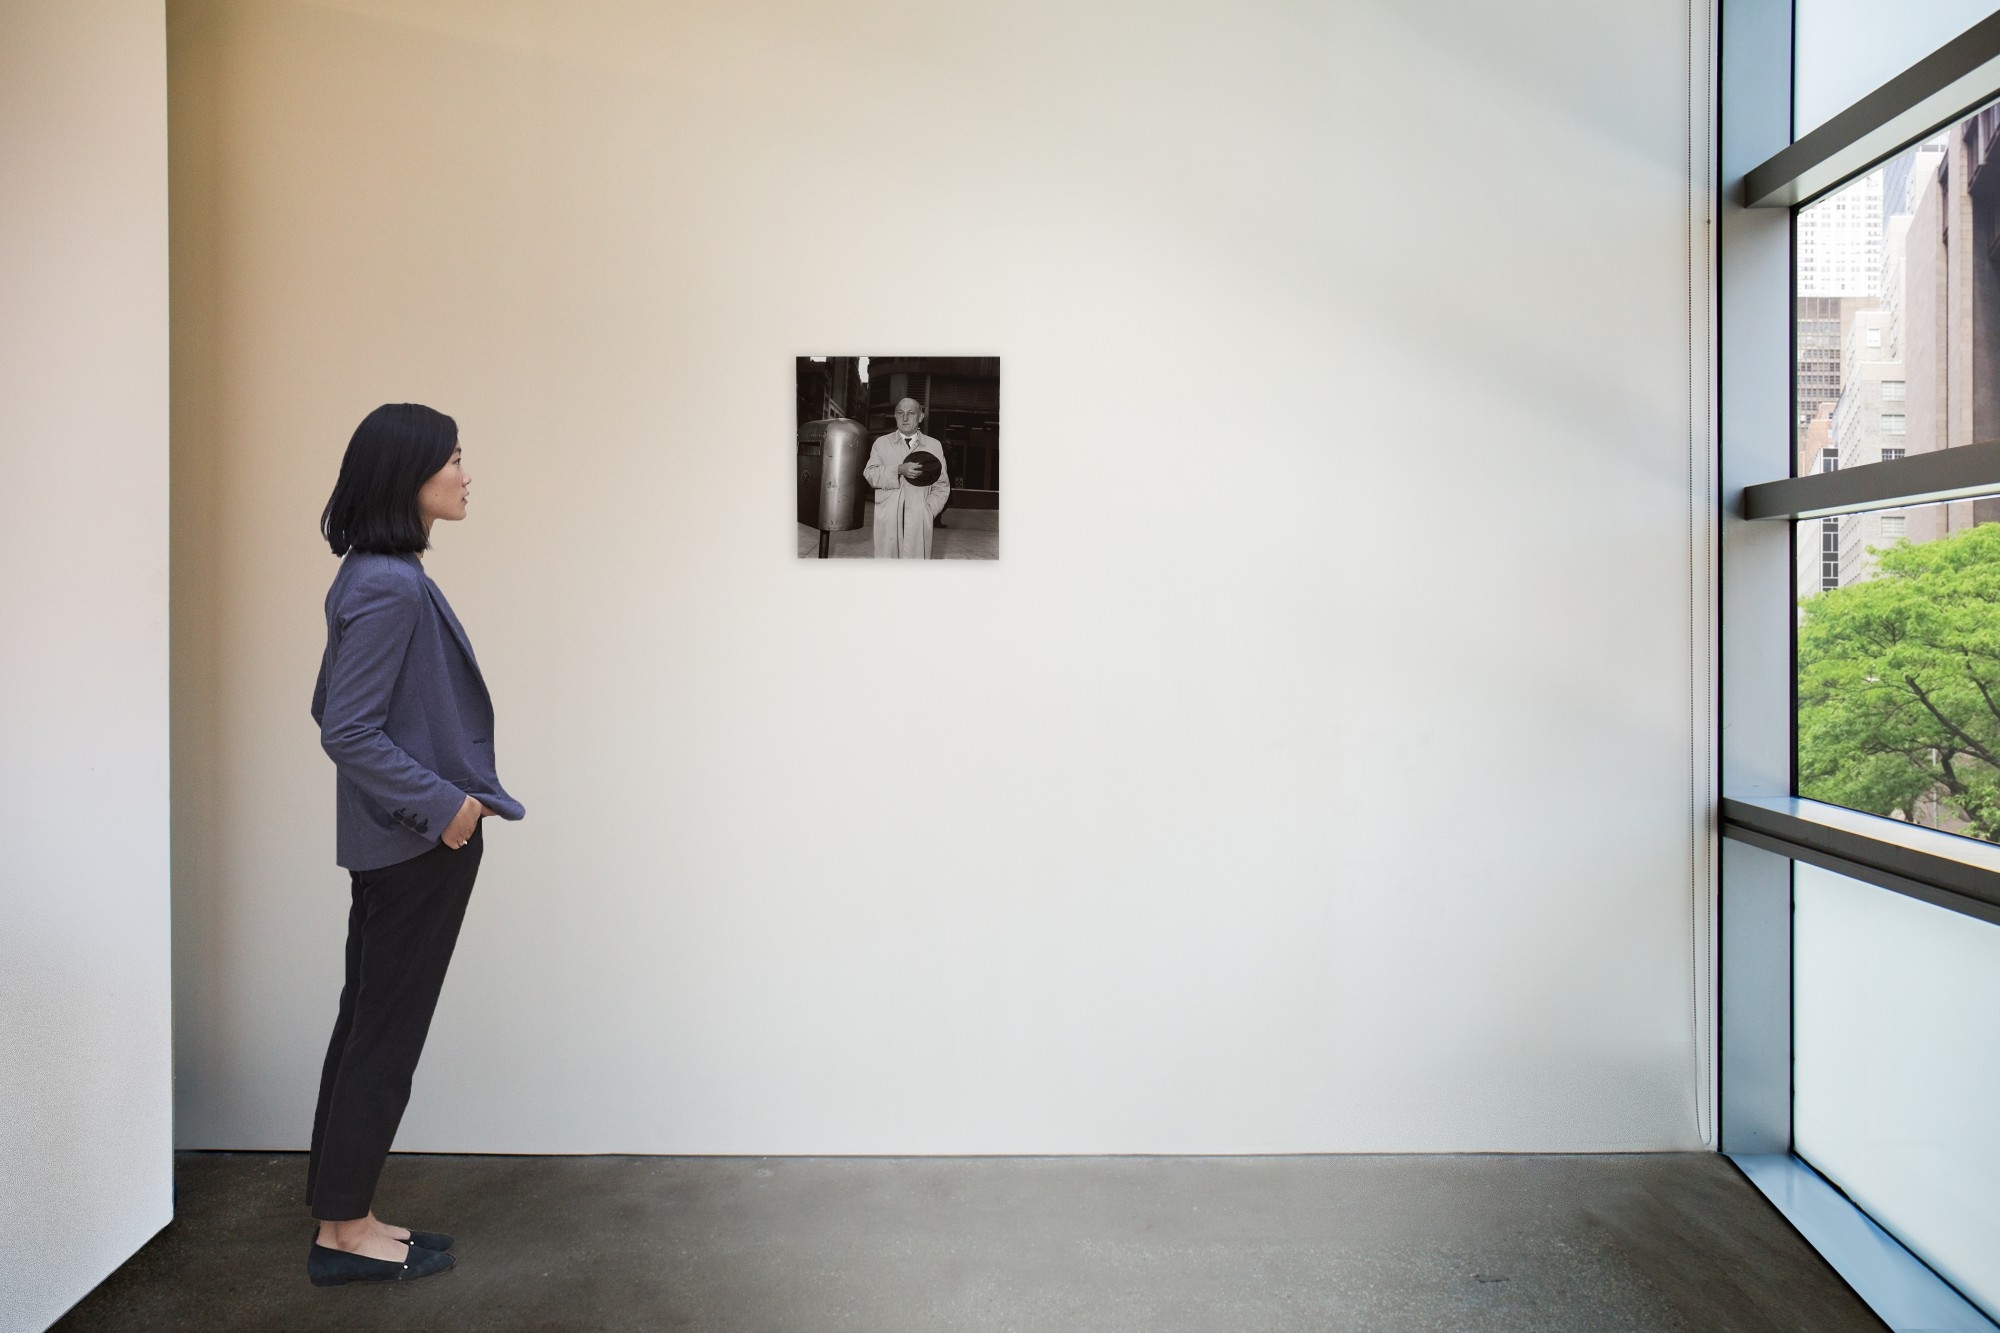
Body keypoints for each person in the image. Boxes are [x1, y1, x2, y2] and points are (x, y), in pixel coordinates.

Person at [304, 403, 525, 1286]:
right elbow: (347, 728)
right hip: (414, 846)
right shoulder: (389, 584)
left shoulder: (372, 572)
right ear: (411, 477)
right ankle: (344, 1234)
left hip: (394, 843)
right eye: (455, 459)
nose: (467, 475)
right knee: (383, 1036)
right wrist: (447, 808)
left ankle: (343, 1217)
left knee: (367, 1027)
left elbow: (330, 710)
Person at [862, 396, 951, 558]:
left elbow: (942, 485)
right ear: (895, 416)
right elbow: (870, 474)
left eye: (911, 413)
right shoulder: (881, 443)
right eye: (900, 413)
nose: (905, 418)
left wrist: (928, 510)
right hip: (888, 517)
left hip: (919, 518)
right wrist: (898, 470)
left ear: (920, 417)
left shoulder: (934, 445)